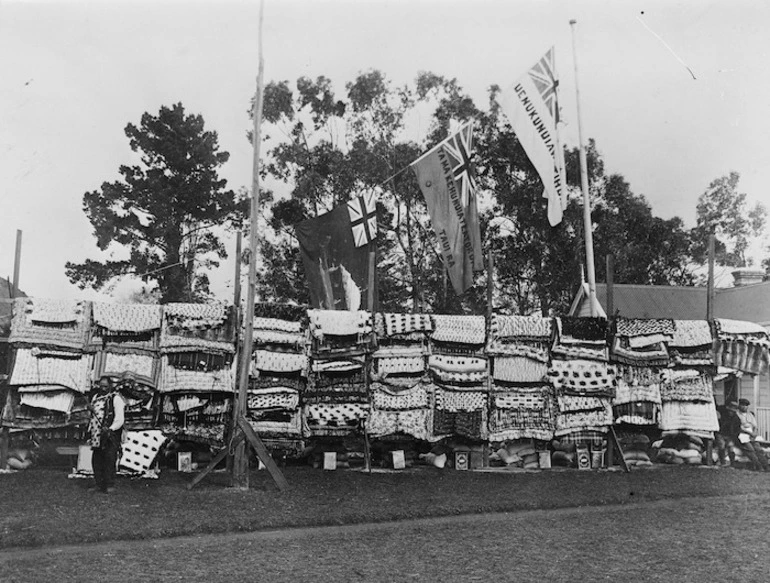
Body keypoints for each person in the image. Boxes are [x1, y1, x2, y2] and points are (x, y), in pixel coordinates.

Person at [87, 376, 126, 492]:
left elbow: (120, 418)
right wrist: (89, 408)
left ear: (110, 386)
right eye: (101, 386)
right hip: (96, 434)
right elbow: (93, 415)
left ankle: (109, 485)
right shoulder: (96, 397)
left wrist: (111, 428)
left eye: (105, 386)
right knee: (97, 459)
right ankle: (98, 484)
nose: (103, 388)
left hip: (110, 434)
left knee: (109, 458)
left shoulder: (116, 399)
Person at [735, 398, 769, 472]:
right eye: (743, 405)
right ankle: (759, 466)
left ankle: (766, 465)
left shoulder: (750, 414)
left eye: (746, 405)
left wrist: (754, 433)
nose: (744, 407)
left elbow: (755, 426)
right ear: (739, 405)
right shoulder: (736, 414)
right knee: (750, 449)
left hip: (751, 435)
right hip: (742, 435)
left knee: (758, 448)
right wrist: (750, 433)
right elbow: (738, 427)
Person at [715, 401, 740, 467]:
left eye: (733, 411)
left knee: (731, 448)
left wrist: (733, 437)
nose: (731, 412)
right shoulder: (723, 414)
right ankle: (722, 462)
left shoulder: (737, 419)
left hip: (730, 436)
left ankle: (732, 463)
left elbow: (737, 430)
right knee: (722, 446)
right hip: (721, 434)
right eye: (730, 410)